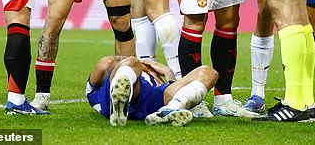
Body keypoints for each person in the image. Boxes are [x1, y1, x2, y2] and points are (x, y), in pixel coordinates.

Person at [86, 55, 218, 127]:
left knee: (209, 72)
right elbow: (109, 62)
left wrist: (168, 73)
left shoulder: (145, 73)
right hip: (124, 93)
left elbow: (174, 86)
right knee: (131, 61)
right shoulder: (108, 75)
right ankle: (120, 104)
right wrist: (143, 66)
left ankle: (168, 111)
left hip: (154, 98)